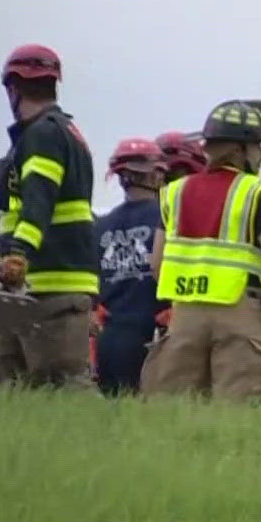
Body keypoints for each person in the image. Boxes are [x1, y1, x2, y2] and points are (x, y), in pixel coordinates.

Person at [141, 100, 261, 400]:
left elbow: (157, 264)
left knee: (175, 409)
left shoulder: (174, 192)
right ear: (240, 149)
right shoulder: (258, 192)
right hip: (240, 316)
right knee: (243, 411)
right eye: (259, 145)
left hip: (184, 316)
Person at [0, 44, 99, 388]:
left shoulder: (42, 135)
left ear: (13, 88)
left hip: (50, 283)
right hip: (46, 282)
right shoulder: (60, 132)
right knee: (24, 392)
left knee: (63, 387)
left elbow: (39, 200)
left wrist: (17, 253)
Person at [92, 138, 169, 394]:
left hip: (109, 335)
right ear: (155, 175)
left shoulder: (102, 225)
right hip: (154, 333)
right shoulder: (167, 217)